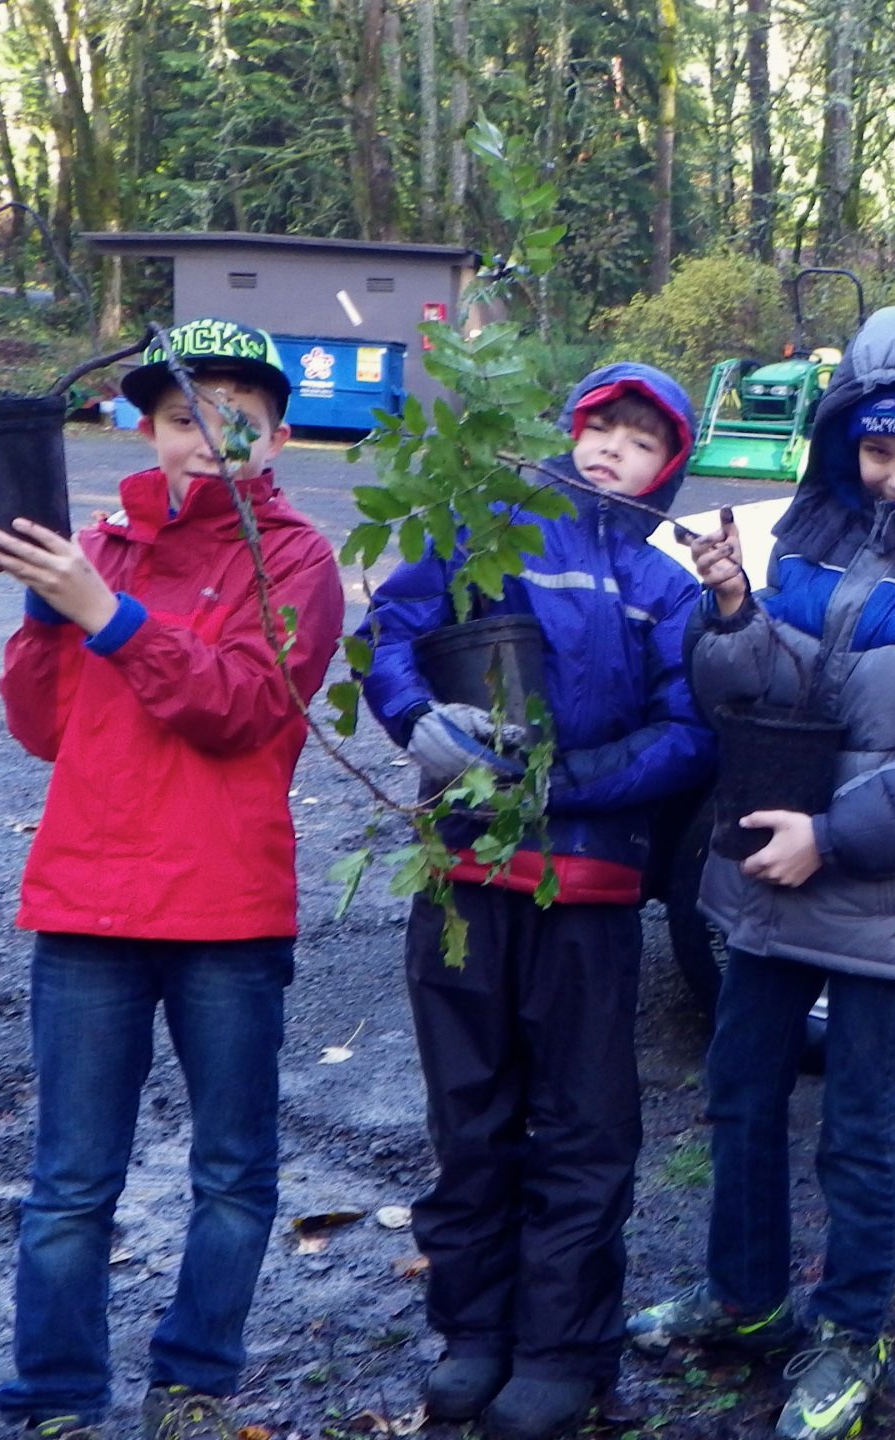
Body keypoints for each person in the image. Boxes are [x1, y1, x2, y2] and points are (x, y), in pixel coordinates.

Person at [626, 304, 895, 1440]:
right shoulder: (815, 530)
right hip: (774, 872)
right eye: (880, 447)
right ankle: (746, 1300)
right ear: (844, 442)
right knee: (738, 1096)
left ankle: (850, 1332)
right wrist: (731, 606)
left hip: (885, 890)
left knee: (865, 1130)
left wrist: (836, 835)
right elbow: (764, 689)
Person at [0, 319, 344, 1439]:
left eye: (239, 421)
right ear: (148, 427)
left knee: (233, 1171)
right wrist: (49, 620)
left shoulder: (295, 561)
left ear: (277, 439)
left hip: (225, 909)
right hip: (88, 902)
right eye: (187, 417)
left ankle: (195, 1380)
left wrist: (106, 615)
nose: (209, 440)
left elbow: (239, 708)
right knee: (70, 1184)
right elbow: (41, 730)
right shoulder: (104, 548)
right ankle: (55, 1395)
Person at [360, 364, 714, 1438]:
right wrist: (417, 718)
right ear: (570, 432)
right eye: (599, 426)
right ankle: (474, 1334)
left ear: (669, 470)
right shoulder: (487, 526)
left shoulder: (667, 586)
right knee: (470, 1117)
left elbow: (690, 731)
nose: (612, 449)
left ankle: (564, 1350)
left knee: (582, 1126)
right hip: (463, 882)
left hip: (588, 891)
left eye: (641, 441)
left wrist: (567, 785)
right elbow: (393, 630)